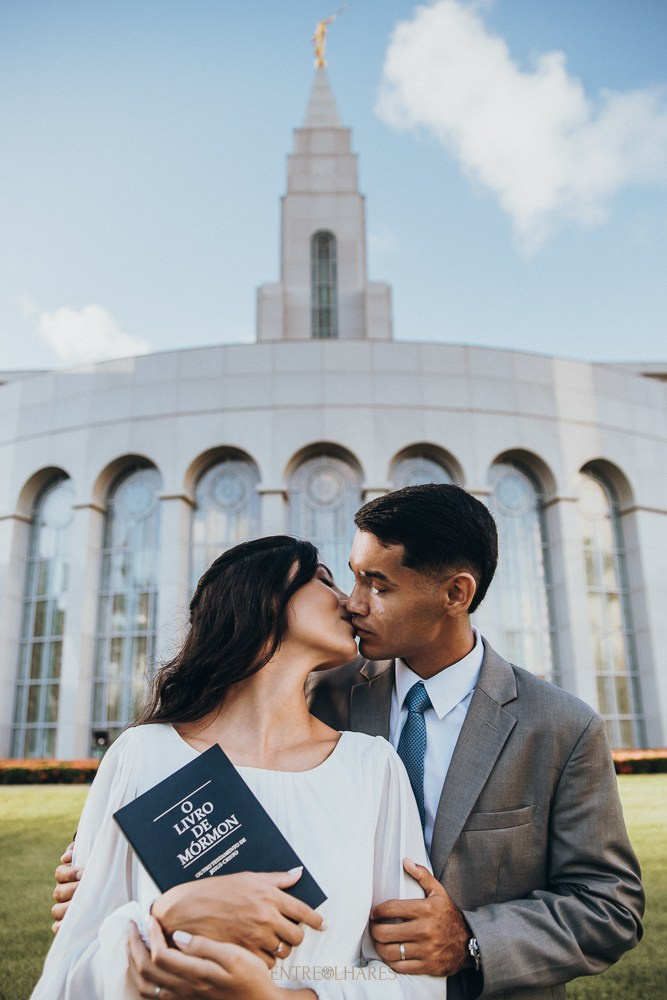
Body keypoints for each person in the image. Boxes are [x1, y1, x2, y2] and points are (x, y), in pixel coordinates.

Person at [52, 485, 645, 1000]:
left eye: (376, 584)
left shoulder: (561, 727)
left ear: (455, 595)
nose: (353, 603)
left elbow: (610, 905)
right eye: (348, 576)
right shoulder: (321, 693)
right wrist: (120, 885)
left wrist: (469, 939)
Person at [34, 536, 442, 1000]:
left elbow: (417, 980)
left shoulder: (372, 767)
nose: (349, 602)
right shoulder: (143, 754)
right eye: (325, 580)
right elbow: (70, 973)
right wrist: (167, 915)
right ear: (262, 596)